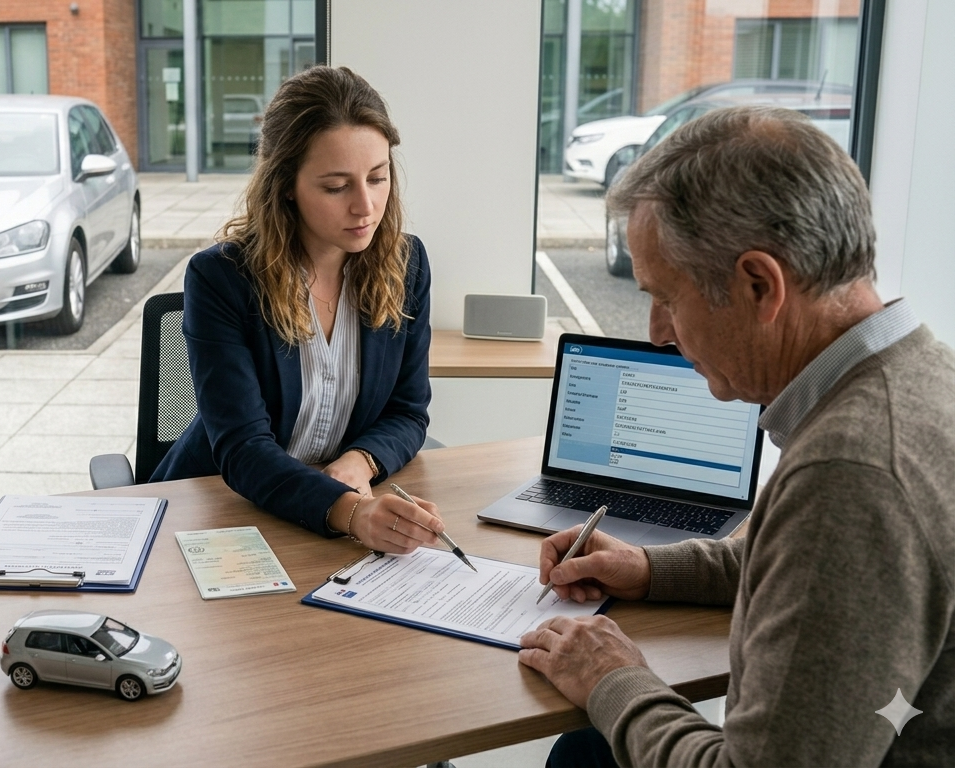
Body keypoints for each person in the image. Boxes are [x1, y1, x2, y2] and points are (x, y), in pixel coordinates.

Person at [517, 106, 955, 766]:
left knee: (584, 750)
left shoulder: (851, 471)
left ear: (759, 284)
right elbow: (804, 567)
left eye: (666, 295)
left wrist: (611, 679)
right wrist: (648, 567)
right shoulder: (917, 374)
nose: (659, 331)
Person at [150, 66, 444, 553]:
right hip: (222, 511)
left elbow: (408, 412)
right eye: (336, 187)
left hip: (335, 506)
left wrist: (361, 461)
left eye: (377, 177)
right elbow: (243, 450)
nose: (365, 206)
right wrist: (350, 512)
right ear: (286, 184)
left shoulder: (407, 265)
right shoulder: (222, 279)